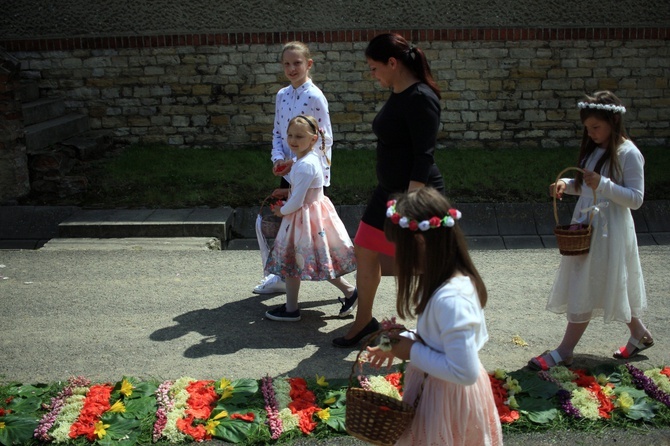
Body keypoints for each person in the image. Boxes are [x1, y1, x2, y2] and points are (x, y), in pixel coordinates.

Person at [365, 188, 503, 446]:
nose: (393, 255)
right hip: (437, 389)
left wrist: (411, 352)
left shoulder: (452, 300)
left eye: (397, 247)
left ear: (419, 243)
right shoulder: (443, 281)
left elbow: (464, 372)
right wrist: (397, 343)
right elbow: (435, 339)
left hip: (449, 400)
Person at [332, 33, 445, 347]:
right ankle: (364, 322)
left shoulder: (421, 97)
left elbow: (424, 155)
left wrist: (410, 203)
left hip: (414, 196)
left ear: (392, 63)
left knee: (427, 264)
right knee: (365, 249)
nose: (372, 74)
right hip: (386, 191)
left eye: (373, 67)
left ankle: (437, 330)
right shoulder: (398, 91)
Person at [529, 91, 652, 370]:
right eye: (588, 128)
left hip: (612, 230)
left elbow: (636, 198)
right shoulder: (597, 150)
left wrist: (604, 184)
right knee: (607, 280)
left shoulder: (629, 153)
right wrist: (568, 185)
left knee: (589, 282)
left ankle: (565, 350)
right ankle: (639, 334)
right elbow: (588, 185)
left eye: (596, 127)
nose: (592, 133)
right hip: (589, 225)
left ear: (613, 121)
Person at [254, 41, 334, 295]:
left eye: (297, 63)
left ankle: (337, 275)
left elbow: (325, 138)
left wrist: (300, 161)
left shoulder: (315, 96)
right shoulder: (282, 95)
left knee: (309, 232)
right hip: (287, 172)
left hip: (307, 175)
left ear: (308, 64)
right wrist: (278, 158)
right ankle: (280, 277)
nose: (292, 68)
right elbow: (278, 131)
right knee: (285, 229)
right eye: (287, 64)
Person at [263, 115, 356, 322]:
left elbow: (297, 201)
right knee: (297, 263)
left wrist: (281, 211)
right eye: (290, 135)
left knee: (304, 261)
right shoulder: (305, 159)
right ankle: (292, 308)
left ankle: (294, 308)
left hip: (306, 220)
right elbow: (300, 192)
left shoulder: (305, 164)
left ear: (313, 139)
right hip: (307, 216)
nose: (293, 140)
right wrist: (284, 191)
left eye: (299, 136)